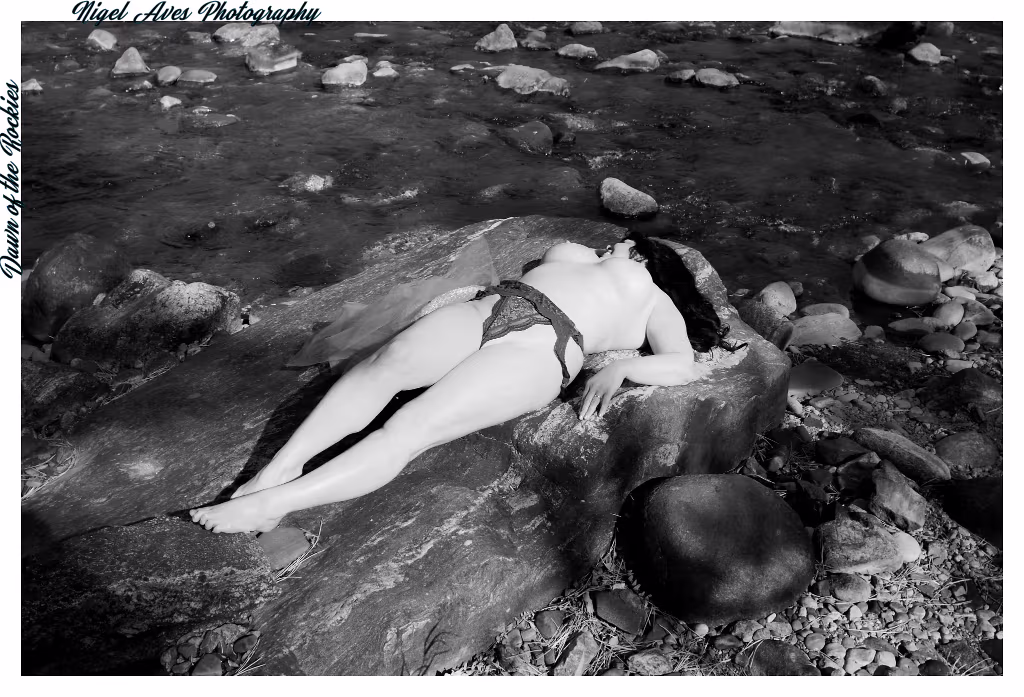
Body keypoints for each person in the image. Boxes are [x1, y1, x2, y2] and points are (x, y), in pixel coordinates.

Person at [190, 234, 741, 533]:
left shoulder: (654, 298)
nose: (612, 243)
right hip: (493, 307)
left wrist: (622, 368)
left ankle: (274, 503)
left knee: (410, 428)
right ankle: (279, 468)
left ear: (644, 254)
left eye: (623, 242)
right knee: (386, 364)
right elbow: (558, 257)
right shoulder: (577, 254)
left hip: (545, 347)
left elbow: (682, 363)